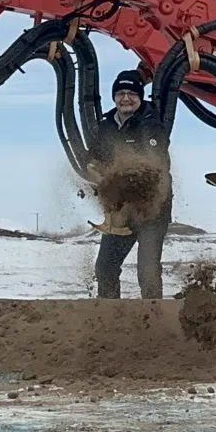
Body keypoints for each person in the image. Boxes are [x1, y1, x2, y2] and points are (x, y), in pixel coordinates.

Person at [87, 69, 173, 300]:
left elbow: (155, 162)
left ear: (140, 96)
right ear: (114, 97)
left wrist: (122, 175)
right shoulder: (106, 125)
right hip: (121, 210)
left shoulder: (151, 123)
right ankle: (109, 314)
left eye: (132, 94)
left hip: (152, 209)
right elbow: (93, 158)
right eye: (121, 93)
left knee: (148, 270)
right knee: (105, 267)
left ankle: (154, 319)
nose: (126, 98)